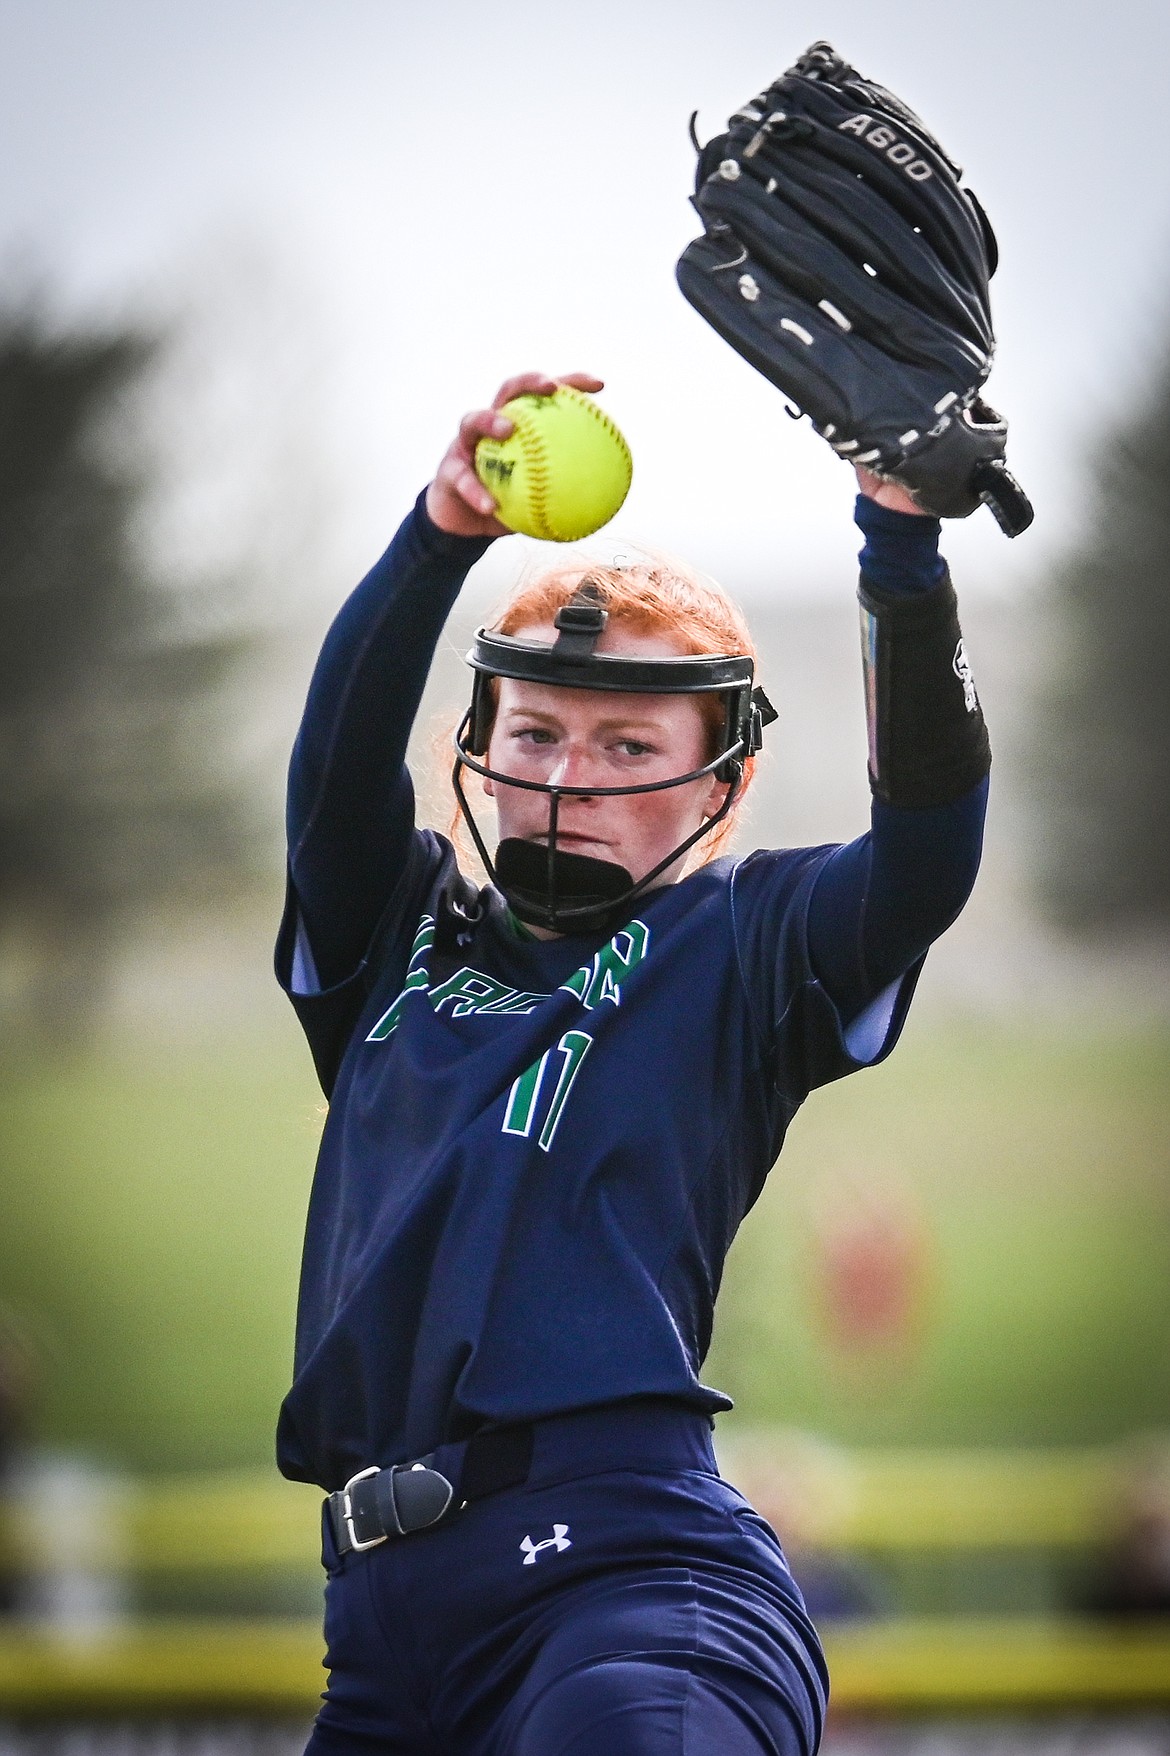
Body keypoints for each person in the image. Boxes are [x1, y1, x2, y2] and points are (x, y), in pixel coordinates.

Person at [276, 369, 990, 1755]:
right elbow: (333, 774)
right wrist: (438, 532)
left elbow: (925, 855)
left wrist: (900, 546)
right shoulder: (389, 939)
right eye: (535, 732)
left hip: (628, 1591)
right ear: (476, 752)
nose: (566, 774)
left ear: (718, 784)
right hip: (375, 1636)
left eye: (624, 743)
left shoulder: (739, 946)